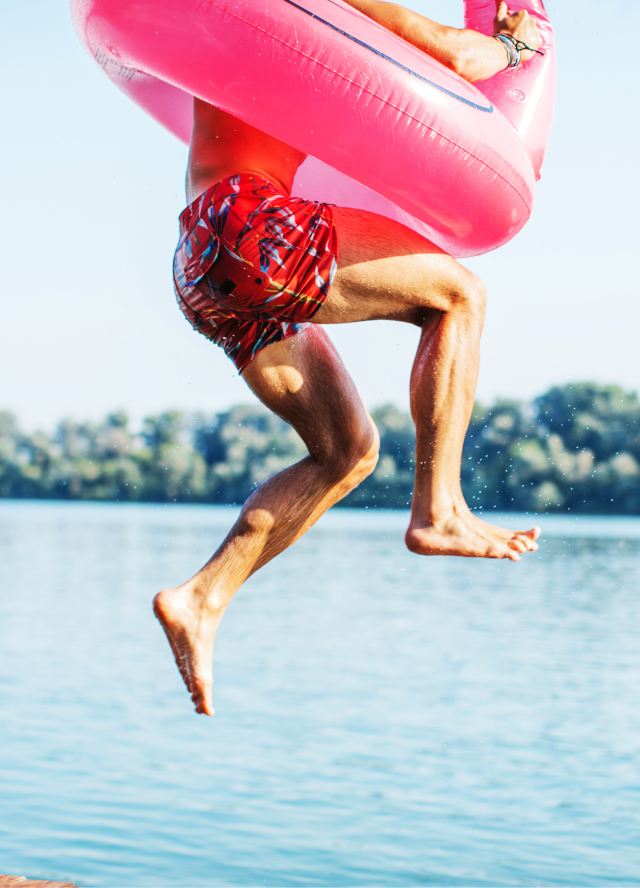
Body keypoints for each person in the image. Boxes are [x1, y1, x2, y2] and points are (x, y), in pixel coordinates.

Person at [154, 0, 544, 715]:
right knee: (459, 298)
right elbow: (457, 55)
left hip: (201, 255)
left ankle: (201, 597)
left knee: (347, 450)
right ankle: (441, 509)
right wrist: (517, 47)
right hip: (252, 223)